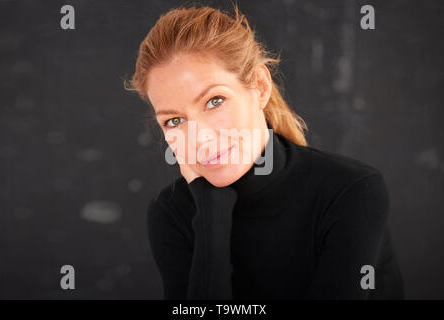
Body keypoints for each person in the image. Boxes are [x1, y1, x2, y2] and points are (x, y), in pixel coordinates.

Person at [124, 4, 404, 300]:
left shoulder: (350, 192)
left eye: (215, 101)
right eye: (175, 121)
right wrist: (210, 210)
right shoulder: (172, 213)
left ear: (259, 86)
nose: (200, 139)